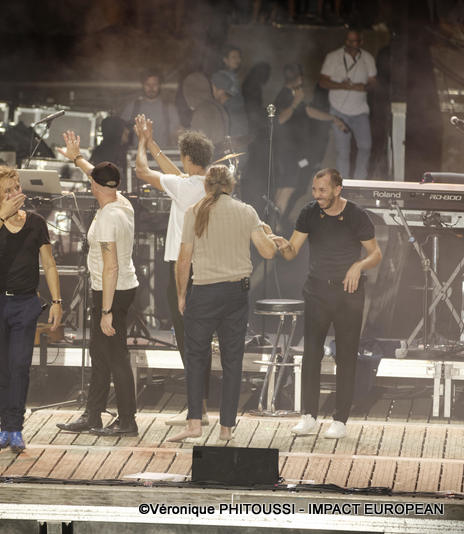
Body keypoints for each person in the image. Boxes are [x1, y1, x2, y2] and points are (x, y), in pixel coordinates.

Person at [169, 165, 277, 442]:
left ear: (206, 186)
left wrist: (181, 295)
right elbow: (268, 252)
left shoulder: (194, 212)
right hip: (235, 294)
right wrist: (267, 233)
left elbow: (184, 260)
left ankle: (194, 422)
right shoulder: (246, 211)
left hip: (204, 293)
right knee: (232, 360)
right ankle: (226, 428)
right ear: (232, 185)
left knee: (196, 357)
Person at [272, 168, 382, 439]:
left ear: (337, 189)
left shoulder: (356, 215)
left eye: (322, 190)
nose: (317, 195)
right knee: (311, 354)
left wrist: (358, 266)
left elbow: (375, 254)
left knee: (346, 357)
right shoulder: (309, 212)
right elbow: (292, 252)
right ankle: (308, 416)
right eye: (314, 190)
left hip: (348, 294)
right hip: (317, 291)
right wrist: (281, 244)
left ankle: (340, 420)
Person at [0, 166, 63, 452]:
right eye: (7, 191)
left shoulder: (36, 222)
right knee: (1, 367)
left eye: (17, 188)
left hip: (25, 302)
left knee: (20, 365)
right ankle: (5, 427)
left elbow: (49, 264)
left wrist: (57, 301)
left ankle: (16, 428)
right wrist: (2, 215)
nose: (14, 194)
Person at [56, 130, 140, 436]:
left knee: (116, 357)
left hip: (111, 292)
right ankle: (93, 415)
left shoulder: (107, 218)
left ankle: (127, 420)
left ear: (94, 187)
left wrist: (106, 312)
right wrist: (77, 157)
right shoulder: (122, 201)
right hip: (119, 288)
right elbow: (97, 174)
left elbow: (110, 266)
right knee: (100, 355)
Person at [132, 114, 213, 427]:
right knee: (197, 339)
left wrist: (142, 144)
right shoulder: (202, 184)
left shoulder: (186, 187)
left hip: (184, 268)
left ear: (189, 158)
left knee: (187, 339)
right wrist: (154, 144)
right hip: (203, 267)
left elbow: (142, 172)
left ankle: (196, 410)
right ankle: (200, 407)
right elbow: (176, 175)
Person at [274, 63, 347, 220]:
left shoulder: (292, 95)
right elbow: (280, 119)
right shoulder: (285, 95)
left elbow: (308, 111)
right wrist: (295, 102)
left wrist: (333, 119)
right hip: (288, 151)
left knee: (286, 188)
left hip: (293, 151)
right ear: (298, 78)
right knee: (287, 188)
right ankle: (275, 225)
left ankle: (275, 223)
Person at [319, 29, 377, 179]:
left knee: (365, 147)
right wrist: (343, 86)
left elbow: (374, 83)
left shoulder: (368, 58)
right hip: (338, 112)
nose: (350, 44)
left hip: (360, 111)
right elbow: (322, 82)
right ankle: (343, 183)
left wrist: (363, 87)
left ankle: (360, 181)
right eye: (348, 41)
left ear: (361, 42)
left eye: (354, 41)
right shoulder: (333, 57)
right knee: (343, 152)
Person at [122, 68, 181, 148]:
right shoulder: (132, 107)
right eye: (148, 84)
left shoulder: (170, 109)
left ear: (159, 85)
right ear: (143, 85)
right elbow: (122, 135)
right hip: (138, 154)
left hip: (163, 154)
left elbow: (177, 135)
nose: (151, 88)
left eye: (155, 84)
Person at [210, 45, 249, 139]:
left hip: (239, 124)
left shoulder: (233, 76)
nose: (238, 60)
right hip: (230, 126)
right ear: (225, 60)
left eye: (239, 57)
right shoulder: (220, 76)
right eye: (234, 57)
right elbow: (219, 100)